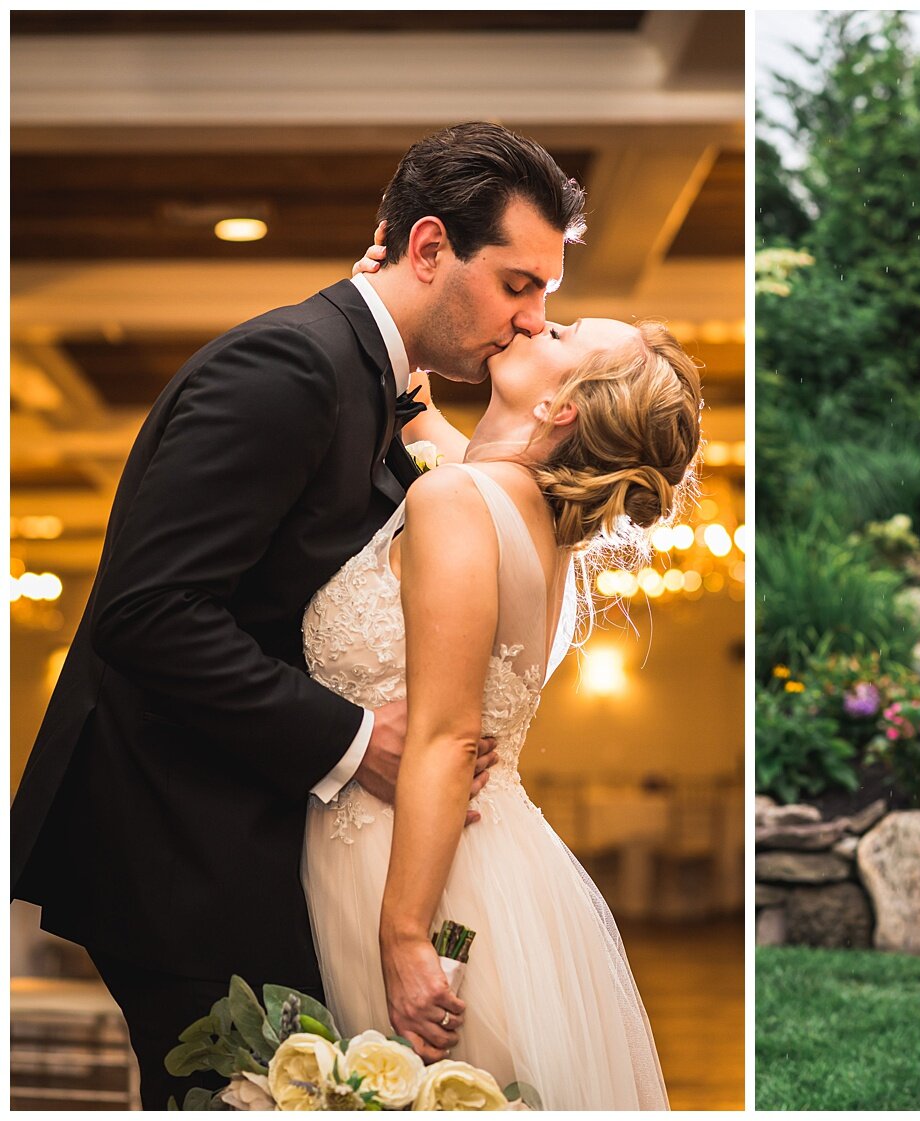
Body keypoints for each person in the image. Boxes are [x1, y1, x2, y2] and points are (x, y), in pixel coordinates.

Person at [10, 122, 584, 1108]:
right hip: (181, 846)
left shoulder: (376, 382)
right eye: (518, 284)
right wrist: (363, 738)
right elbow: (149, 612)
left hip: (274, 838)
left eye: (547, 298)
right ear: (430, 247)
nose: (530, 321)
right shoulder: (288, 365)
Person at [300, 284, 700, 1107]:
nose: (529, 319)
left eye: (555, 329)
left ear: (561, 407)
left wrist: (406, 933)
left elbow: (447, 737)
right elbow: (451, 444)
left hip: (416, 872)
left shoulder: (455, 500)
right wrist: (390, 314)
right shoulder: (535, 518)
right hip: (493, 874)